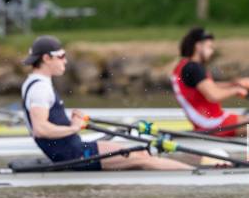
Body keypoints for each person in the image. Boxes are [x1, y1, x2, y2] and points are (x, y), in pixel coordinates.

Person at [21, 36, 190, 171]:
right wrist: (74, 128)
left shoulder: (35, 83)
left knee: (140, 154)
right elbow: (40, 129)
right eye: (61, 56)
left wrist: (71, 122)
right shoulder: (40, 88)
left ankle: (191, 171)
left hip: (74, 150)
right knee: (141, 157)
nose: (65, 61)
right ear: (46, 58)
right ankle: (194, 174)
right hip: (74, 155)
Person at [170, 27, 249, 137]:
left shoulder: (184, 66)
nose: (212, 51)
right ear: (198, 46)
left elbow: (209, 86)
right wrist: (236, 90)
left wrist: (235, 84)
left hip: (209, 121)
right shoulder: (194, 68)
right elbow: (213, 95)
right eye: (209, 47)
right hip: (211, 124)